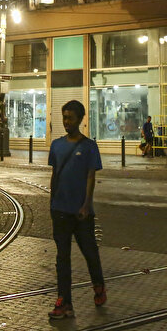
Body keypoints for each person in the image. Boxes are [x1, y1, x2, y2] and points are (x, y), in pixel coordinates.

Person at [47, 100, 106, 320]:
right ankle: (65, 303)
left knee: (90, 252)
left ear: (80, 119)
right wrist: (52, 203)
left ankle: (98, 285)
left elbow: (91, 177)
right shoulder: (56, 145)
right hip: (60, 210)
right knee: (62, 258)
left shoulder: (89, 146)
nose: (66, 122)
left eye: (70, 118)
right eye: (64, 117)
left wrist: (86, 204)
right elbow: (55, 176)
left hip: (82, 213)